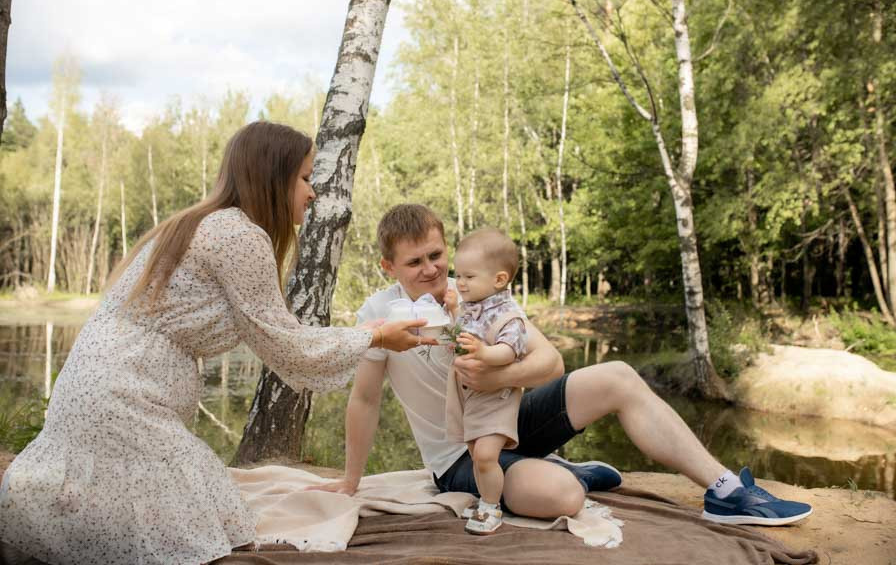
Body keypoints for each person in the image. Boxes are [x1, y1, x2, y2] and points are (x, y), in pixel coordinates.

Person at [0, 122, 435, 565]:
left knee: (207, 511)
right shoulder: (239, 235)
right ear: (273, 176)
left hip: (94, 384)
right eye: (305, 178)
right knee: (202, 530)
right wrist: (375, 335)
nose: (313, 191)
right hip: (122, 397)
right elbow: (288, 346)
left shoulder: (200, 222)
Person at [312, 203, 813, 528]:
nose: (432, 270)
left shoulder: (478, 294)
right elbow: (365, 399)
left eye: (437, 255)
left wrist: (499, 375)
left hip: (512, 419)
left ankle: (725, 490)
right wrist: (352, 482)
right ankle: (563, 471)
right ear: (389, 268)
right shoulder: (378, 315)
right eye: (415, 262)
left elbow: (550, 360)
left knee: (618, 375)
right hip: (461, 456)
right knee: (565, 497)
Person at [443, 228, 529, 534]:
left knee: (485, 454)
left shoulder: (509, 315)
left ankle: (492, 508)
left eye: (468, 277)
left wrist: (485, 352)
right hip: (471, 397)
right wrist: (454, 312)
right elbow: (462, 334)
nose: (460, 282)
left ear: (499, 280)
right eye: (458, 275)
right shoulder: (472, 308)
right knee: (475, 453)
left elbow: (510, 350)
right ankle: (485, 499)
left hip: (497, 398)